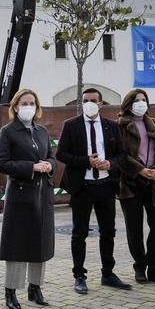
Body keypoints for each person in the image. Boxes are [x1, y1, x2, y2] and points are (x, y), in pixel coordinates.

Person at [57, 87, 131, 294]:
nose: (89, 103)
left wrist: (110, 164)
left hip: (106, 186)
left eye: (93, 100)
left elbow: (123, 154)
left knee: (108, 232)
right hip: (82, 186)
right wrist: (86, 162)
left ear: (101, 103)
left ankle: (108, 273)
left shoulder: (111, 126)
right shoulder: (71, 126)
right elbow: (61, 154)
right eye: (85, 100)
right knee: (79, 233)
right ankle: (79, 276)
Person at [0, 88, 57, 309]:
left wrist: (50, 165)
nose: (28, 106)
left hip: (42, 194)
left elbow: (51, 155)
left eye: (32, 102)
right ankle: (11, 291)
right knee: (17, 245)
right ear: (15, 106)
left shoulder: (42, 131)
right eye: (24, 103)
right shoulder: (8, 131)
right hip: (20, 195)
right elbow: (1, 163)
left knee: (40, 242)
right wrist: (31, 167)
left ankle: (35, 287)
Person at [118, 89, 155, 285]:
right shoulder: (121, 126)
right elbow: (119, 156)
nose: (141, 103)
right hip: (131, 184)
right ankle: (140, 267)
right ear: (128, 104)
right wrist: (140, 170)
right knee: (134, 229)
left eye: (143, 100)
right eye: (136, 100)